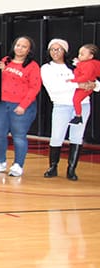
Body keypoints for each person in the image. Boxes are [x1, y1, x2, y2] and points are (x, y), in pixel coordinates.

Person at [42, 39, 97, 180]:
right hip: (62, 105)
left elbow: (94, 80)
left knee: (77, 136)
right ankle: (53, 166)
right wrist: (79, 85)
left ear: (65, 51)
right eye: (52, 49)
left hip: (82, 104)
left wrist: (92, 85)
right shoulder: (47, 68)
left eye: (59, 49)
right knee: (57, 136)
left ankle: (71, 169)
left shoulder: (75, 65)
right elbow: (54, 87)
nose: (55, 52)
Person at [0, 36, 42, 177]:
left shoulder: (32, 66)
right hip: (1, 104)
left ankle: (18, 164)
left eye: (24, 46)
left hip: (21, 106)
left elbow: (34, 87)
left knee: (19, 136)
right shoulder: (5, 61)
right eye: (18, 45)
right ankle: (0, 161)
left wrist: (23, 105)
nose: (20, 48)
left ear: (29, 50)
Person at [69, 44, 100, 124]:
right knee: (76, 100)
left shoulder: (89, 65)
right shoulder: (83, 63)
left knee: (76, 100)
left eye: (82, 54)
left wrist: (74, 80)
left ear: (90, 56)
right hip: (82, 85)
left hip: (85, 86)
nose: (79, 56)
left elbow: (86, 76)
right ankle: (78, 116)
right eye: (79, 54)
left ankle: (78, 116)